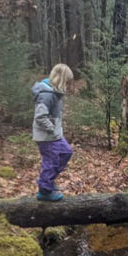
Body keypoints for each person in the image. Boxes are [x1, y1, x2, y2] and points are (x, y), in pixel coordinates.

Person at [32, 63, 74, 201]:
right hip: (47, 137)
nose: (68, 86)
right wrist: (51, 129)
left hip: (55, 135)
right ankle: (44, 191)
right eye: (67, 82)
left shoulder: (55, 94)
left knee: (66, 152)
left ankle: (48, 180)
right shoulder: (46, 95)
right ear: (61, 79)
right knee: (51, 162)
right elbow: (40, 116)